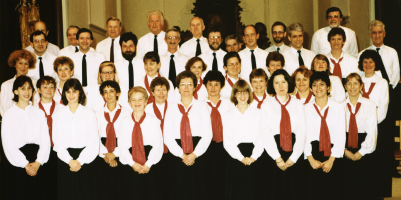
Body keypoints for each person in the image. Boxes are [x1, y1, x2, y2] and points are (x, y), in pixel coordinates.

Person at [163, 71, 213, 200]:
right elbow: (167, 135)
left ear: (195, 87)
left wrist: (194, 155)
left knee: (199, 190)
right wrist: (182, 155)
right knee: (178, 190)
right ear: (178, 88)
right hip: (177, 154)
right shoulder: (172, 108)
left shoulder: (202, 106)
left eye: (190, 84)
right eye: (183, 84)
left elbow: (208, 134)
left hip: (198, 152)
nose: (186, 88)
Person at [0, 75, 51, 199]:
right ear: (16, 91)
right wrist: (25, 164)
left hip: (38, 160)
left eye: (29, 88)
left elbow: (45, 140)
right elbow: (8, 144)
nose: (27, 92)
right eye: (23, 88)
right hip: (17, 162)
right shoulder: (8, 114)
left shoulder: (39, 113)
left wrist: (38, 163)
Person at [261, 69, 306, 200]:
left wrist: (294, 157)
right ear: (272, 85)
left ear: (289, 83)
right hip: (273, 152)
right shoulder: (267, 104)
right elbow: (265, 133)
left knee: (294, 191)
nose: (281, 86)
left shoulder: (298, 104)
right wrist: (277, 158)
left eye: (284, 82)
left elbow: (302, 132)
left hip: (294, 152)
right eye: (276, 83)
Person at [52, 78, 99, 200]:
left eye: (74, 91)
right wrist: (69, 160)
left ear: (80, 93)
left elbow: (93, 141)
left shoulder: (89, 113)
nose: (71, 95)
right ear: (64, 94)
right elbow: (57, 142)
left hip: (85, 159)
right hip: (65, 159)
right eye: (68, 92)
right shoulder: (58, 114)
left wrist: (80, 161)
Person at [304, 71, 346, 200]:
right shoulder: (305, 108)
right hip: (312, 154)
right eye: (315, 85)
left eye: (322, 84)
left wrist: (332, 159)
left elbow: (341, 134)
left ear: (328, 86)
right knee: (313, 192)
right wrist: (310, 158)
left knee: (333, 192)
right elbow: (303, 135)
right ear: (311, 88)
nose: (318, 88)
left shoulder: (338, 107)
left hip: (333, 154)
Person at [118, 86, 164, 199]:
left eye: (140, 99)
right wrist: (132, 164)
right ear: (129, 102)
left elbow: (158, 145)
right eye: (133, 99)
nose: (137, 102)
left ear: (146, 101)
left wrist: (148, 164)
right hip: (131, 162)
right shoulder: (124, 122)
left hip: (150, 162)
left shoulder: (153, 121)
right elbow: (122, 147)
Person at [223, 80, 264, 199]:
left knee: (253, 191)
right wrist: (241, 158)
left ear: (249, 94)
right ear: (234, 95)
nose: (242, 96)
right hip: (235, 157)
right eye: (239, 93)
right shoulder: (228, 115)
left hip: (254, 155)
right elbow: (228, 141)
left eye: (245, 92)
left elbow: (261, 138)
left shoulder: (258, 113)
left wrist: (253, 157)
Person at [358, 49, 391, 197]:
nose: (368, 64)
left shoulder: (382, 82)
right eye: (365, 61)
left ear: (376, 63)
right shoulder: (356, 80)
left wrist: (370, 125)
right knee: (361, 166)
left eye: (371, 61)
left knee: (375, 166)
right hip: (358, 128)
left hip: (377, 127)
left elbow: (383, 107)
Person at [342, 73, 378, 200]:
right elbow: (336, 131)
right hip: (345, 146)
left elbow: (372, 130)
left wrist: (362, 152)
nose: (352, 87)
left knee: (364, 185)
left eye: (355, 83)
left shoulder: (370, 104)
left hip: (364, 146)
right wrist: (344, 150)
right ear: (345, 86)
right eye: (349, 83)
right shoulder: (339, 106)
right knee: (346, 185)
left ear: (361, 86)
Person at [94, 80, 131, 200]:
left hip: (122, 152)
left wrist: (114, 154)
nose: (109, 95)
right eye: (105, 92)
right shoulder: (97, 114)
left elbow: (128, 137)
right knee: (103, 189)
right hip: (102, 154)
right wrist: (106, 154)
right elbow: (95, 136)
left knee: (121, 189)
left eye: (111, 91)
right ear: (102, 95)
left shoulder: (127, 113)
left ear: (118, 93)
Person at [202, 70, 234, 199]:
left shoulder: (229, 103)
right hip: (206, 147)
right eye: (210, 84)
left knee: (224, 179)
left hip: (225, 146)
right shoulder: (200, 104)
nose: (213, 88)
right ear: (205, 86)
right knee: (207, 179)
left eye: (217, 84)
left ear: (222, 86)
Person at [34, 75, 60, 198]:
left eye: (51, 87)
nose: (49, 90)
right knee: (41, 186)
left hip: (57, 151)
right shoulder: (33, 110)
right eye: (45, 87)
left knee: (56, 185)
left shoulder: (62, 109)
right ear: (38, 90)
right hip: (39, 152)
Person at [359, 20, 399, 89]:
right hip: (369, 91)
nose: (377, 36)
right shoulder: (362, 54)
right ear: (370, 35)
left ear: (384, 34)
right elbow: (360, 75)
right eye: (374, 33)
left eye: (380, 32)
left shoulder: (392, 52)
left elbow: (396, 74)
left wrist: (389, 88)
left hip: (390, 89)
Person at [1, 50, 37, 116]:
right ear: (14, 64)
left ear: (29, 65)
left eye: (26, 64)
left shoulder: (35, 83)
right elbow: (4, 109)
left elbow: (37, 104)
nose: (23, 67)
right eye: (20, 63)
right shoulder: (6, 85)